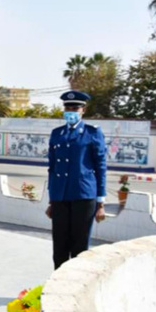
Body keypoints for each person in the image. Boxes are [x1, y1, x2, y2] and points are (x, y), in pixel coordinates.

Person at [46, 90, 107, 270]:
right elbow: (52, 168)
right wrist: (52, 199)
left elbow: (100, 167)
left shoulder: (92, 133)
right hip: (60, 197)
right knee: (59, 246)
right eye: (67, 107)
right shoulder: (57, 133)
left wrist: (101, 203)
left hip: (83, 195)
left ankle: (75, 285)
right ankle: (58, 284)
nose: (71, 111)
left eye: (75, 107)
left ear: (83, 110)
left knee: (79, 247)